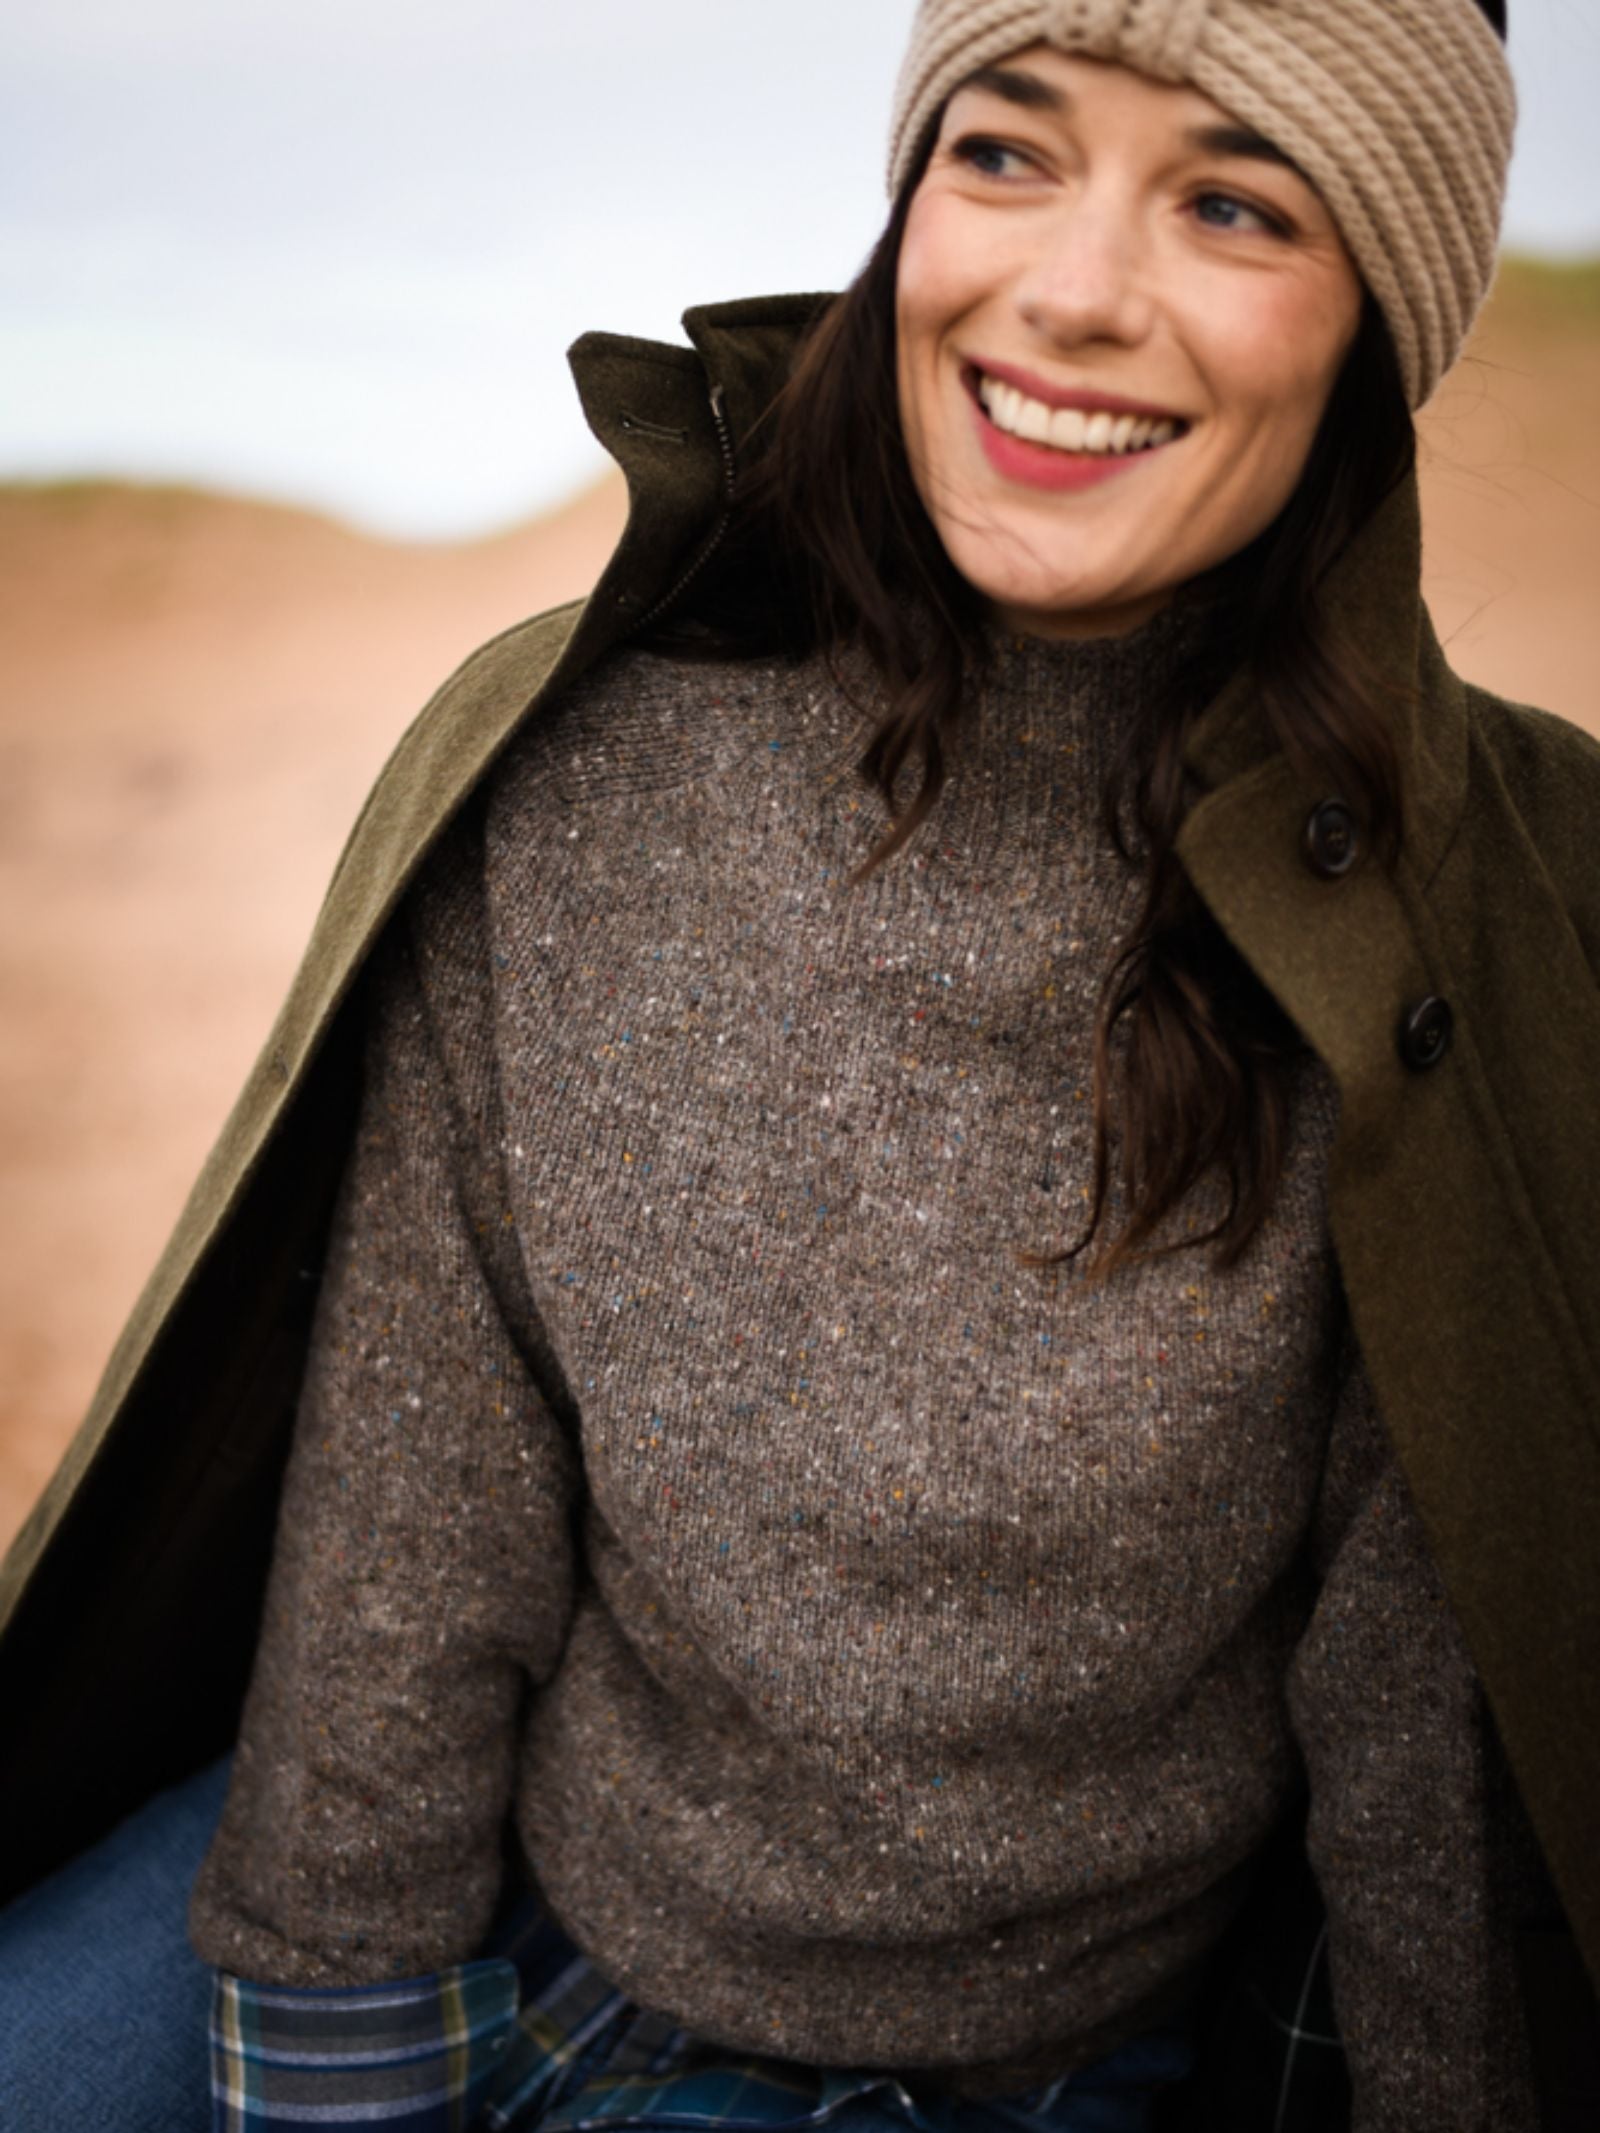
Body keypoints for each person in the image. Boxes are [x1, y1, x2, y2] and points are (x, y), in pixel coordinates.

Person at [1, 1, 1597, 2129]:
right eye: (1003, 153)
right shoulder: (583, 777)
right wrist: (344, 2061)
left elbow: (1425, 1723)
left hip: (1042, 2048)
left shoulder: (1454, 904)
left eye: (1229, 199)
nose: (1069, 290)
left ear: (1373, 326)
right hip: (519, 1898)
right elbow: (413, 1510)